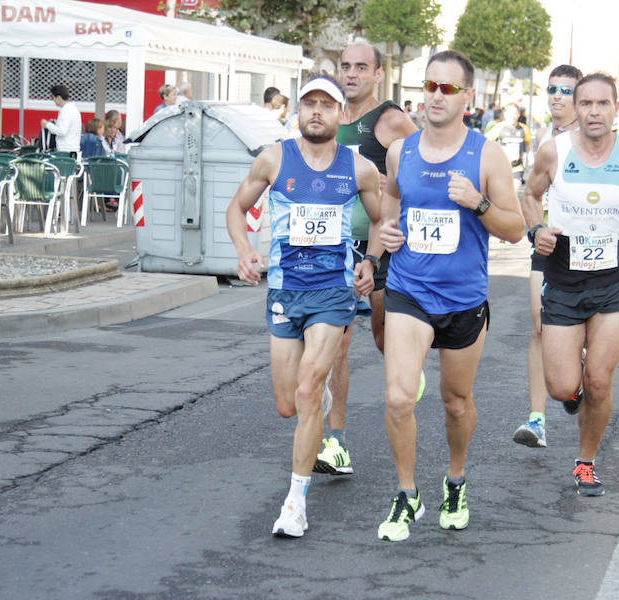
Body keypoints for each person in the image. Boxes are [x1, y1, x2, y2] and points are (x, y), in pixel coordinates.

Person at [376, 50, 525, 541]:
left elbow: (515, 229)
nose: (435, 97)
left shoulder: (487, 154)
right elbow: (392, 205)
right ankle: (406, 493)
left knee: (456, 402)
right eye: (429, 87)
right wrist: (388, 236)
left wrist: (477, 202)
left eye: (446, 89)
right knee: (399, 396)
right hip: (409, 290)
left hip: (463, 298)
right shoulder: (403, 151)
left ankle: (455, 479)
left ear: (468, 96)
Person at [225, 75, 383, 538]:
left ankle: (295, 502)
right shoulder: (275, 158)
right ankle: (320, 401)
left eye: (327, 105)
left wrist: (370, 262)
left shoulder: (358, 169)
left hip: (334, 293)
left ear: (340, 114)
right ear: (298, 111)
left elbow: (380, 219)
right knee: (286, 405)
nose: (317, 111)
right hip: (284, 291)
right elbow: (236, 209)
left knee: (308, 391)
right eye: (309, 104)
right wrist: (242, 251)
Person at [521, 72, 619, 497]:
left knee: (600, 380)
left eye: (602, 104)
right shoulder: (554, 152)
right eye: (585, 103)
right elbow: (529, 196)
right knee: (562, 387)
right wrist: (536, 231)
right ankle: (576, 390)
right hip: (564, 280)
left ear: (616, 108)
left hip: (614, 283)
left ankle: (585, 462)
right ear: (576, 108)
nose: (594, 112)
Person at [314, 41, 418, 477]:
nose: (351, 74)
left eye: (361, 67)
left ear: (378, 74)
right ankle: (334, 443)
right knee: (336, 345)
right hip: (333, 246)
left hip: (382, 247)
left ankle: (407, 370)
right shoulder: (325, 117)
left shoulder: (390, 120)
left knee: (382, 338)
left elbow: (424, 167)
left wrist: (388, 181)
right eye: (345, 66)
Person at [512, 64, 582, 449]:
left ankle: (574, 385)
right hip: (547, 244)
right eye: (552, 88)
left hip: (585, 248)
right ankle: (537, 420)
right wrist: (534, 228)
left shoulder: (592, 140)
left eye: (566, 91)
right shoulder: (541, 137)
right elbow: (530, 192)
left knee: (578, 333)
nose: (556, 96)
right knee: (539, 326)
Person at [487, 102, 531, 185]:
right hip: (500, 167)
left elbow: (528, 143)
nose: (513, 116)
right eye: (510, 113)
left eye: (515, 113)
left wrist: (530, 155)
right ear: (505, 114)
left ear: (518, 114)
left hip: (517, 167)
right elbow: (485, 141)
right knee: (500, 195)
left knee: (514, 192)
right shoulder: (499, 127)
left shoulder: (524, 128)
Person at [41, 84, 81, 156]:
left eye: (53, 98)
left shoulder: (65, 111)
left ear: (58, 97)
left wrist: (47, 125)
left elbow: (62, 131)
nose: (53, 101)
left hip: (64, 150)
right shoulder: (74, 109)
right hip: (74, 148)